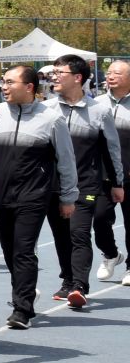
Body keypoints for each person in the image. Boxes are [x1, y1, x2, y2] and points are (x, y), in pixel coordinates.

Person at [0, 65, 77, 329]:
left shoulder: (51, 119)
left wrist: (68, 197)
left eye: (10, 82)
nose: (4, 87)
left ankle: (22, 309)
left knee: (24, 250)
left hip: (33, 196)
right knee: (9, 249)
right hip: (0, 195)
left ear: (29, 87)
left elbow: (66, 161)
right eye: (3, 82)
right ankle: (24, 289)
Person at [54, 54, 122, 305]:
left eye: (60, 73)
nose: (54, 77)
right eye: (53, 73)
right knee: (62, 235)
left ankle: (79, 286)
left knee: (79, 233)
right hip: (52, 185)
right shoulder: (47, 109)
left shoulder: (99, 111)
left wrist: (117, 183)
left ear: (77, 77)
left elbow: (111, 150)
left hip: (85, 184)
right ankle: (67, 280)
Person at [88, 58, 130, 290]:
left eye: (117, 73)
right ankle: (111, 254)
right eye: (109, 72)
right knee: (100, 217)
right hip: (103, 175)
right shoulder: (97, 103)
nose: (111, 76)